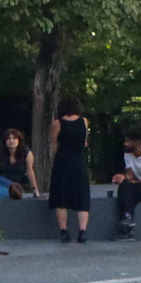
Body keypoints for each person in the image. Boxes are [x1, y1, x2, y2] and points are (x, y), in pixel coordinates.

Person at [48, 97, 91, 242]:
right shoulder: (84, 121)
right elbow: (84, 142)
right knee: (82, 195)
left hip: (63, 161)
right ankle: (82, 231)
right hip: (79, 161)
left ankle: (64, 231)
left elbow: (54, 144)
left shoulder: (57, 123)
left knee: (61, 196)